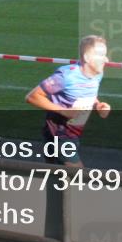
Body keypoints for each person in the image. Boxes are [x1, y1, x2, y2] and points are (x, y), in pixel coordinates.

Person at [25, 34, 111, 167]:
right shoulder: (66, 76)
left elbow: (88, 94)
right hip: (59, 134)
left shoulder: (97, 74)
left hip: (73, 133)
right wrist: (64, 111)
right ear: (87, 58)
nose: (106, 59)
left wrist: (98, 105)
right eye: (101, 55)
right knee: (79, 174)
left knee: (56, 174)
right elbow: (32, 97)